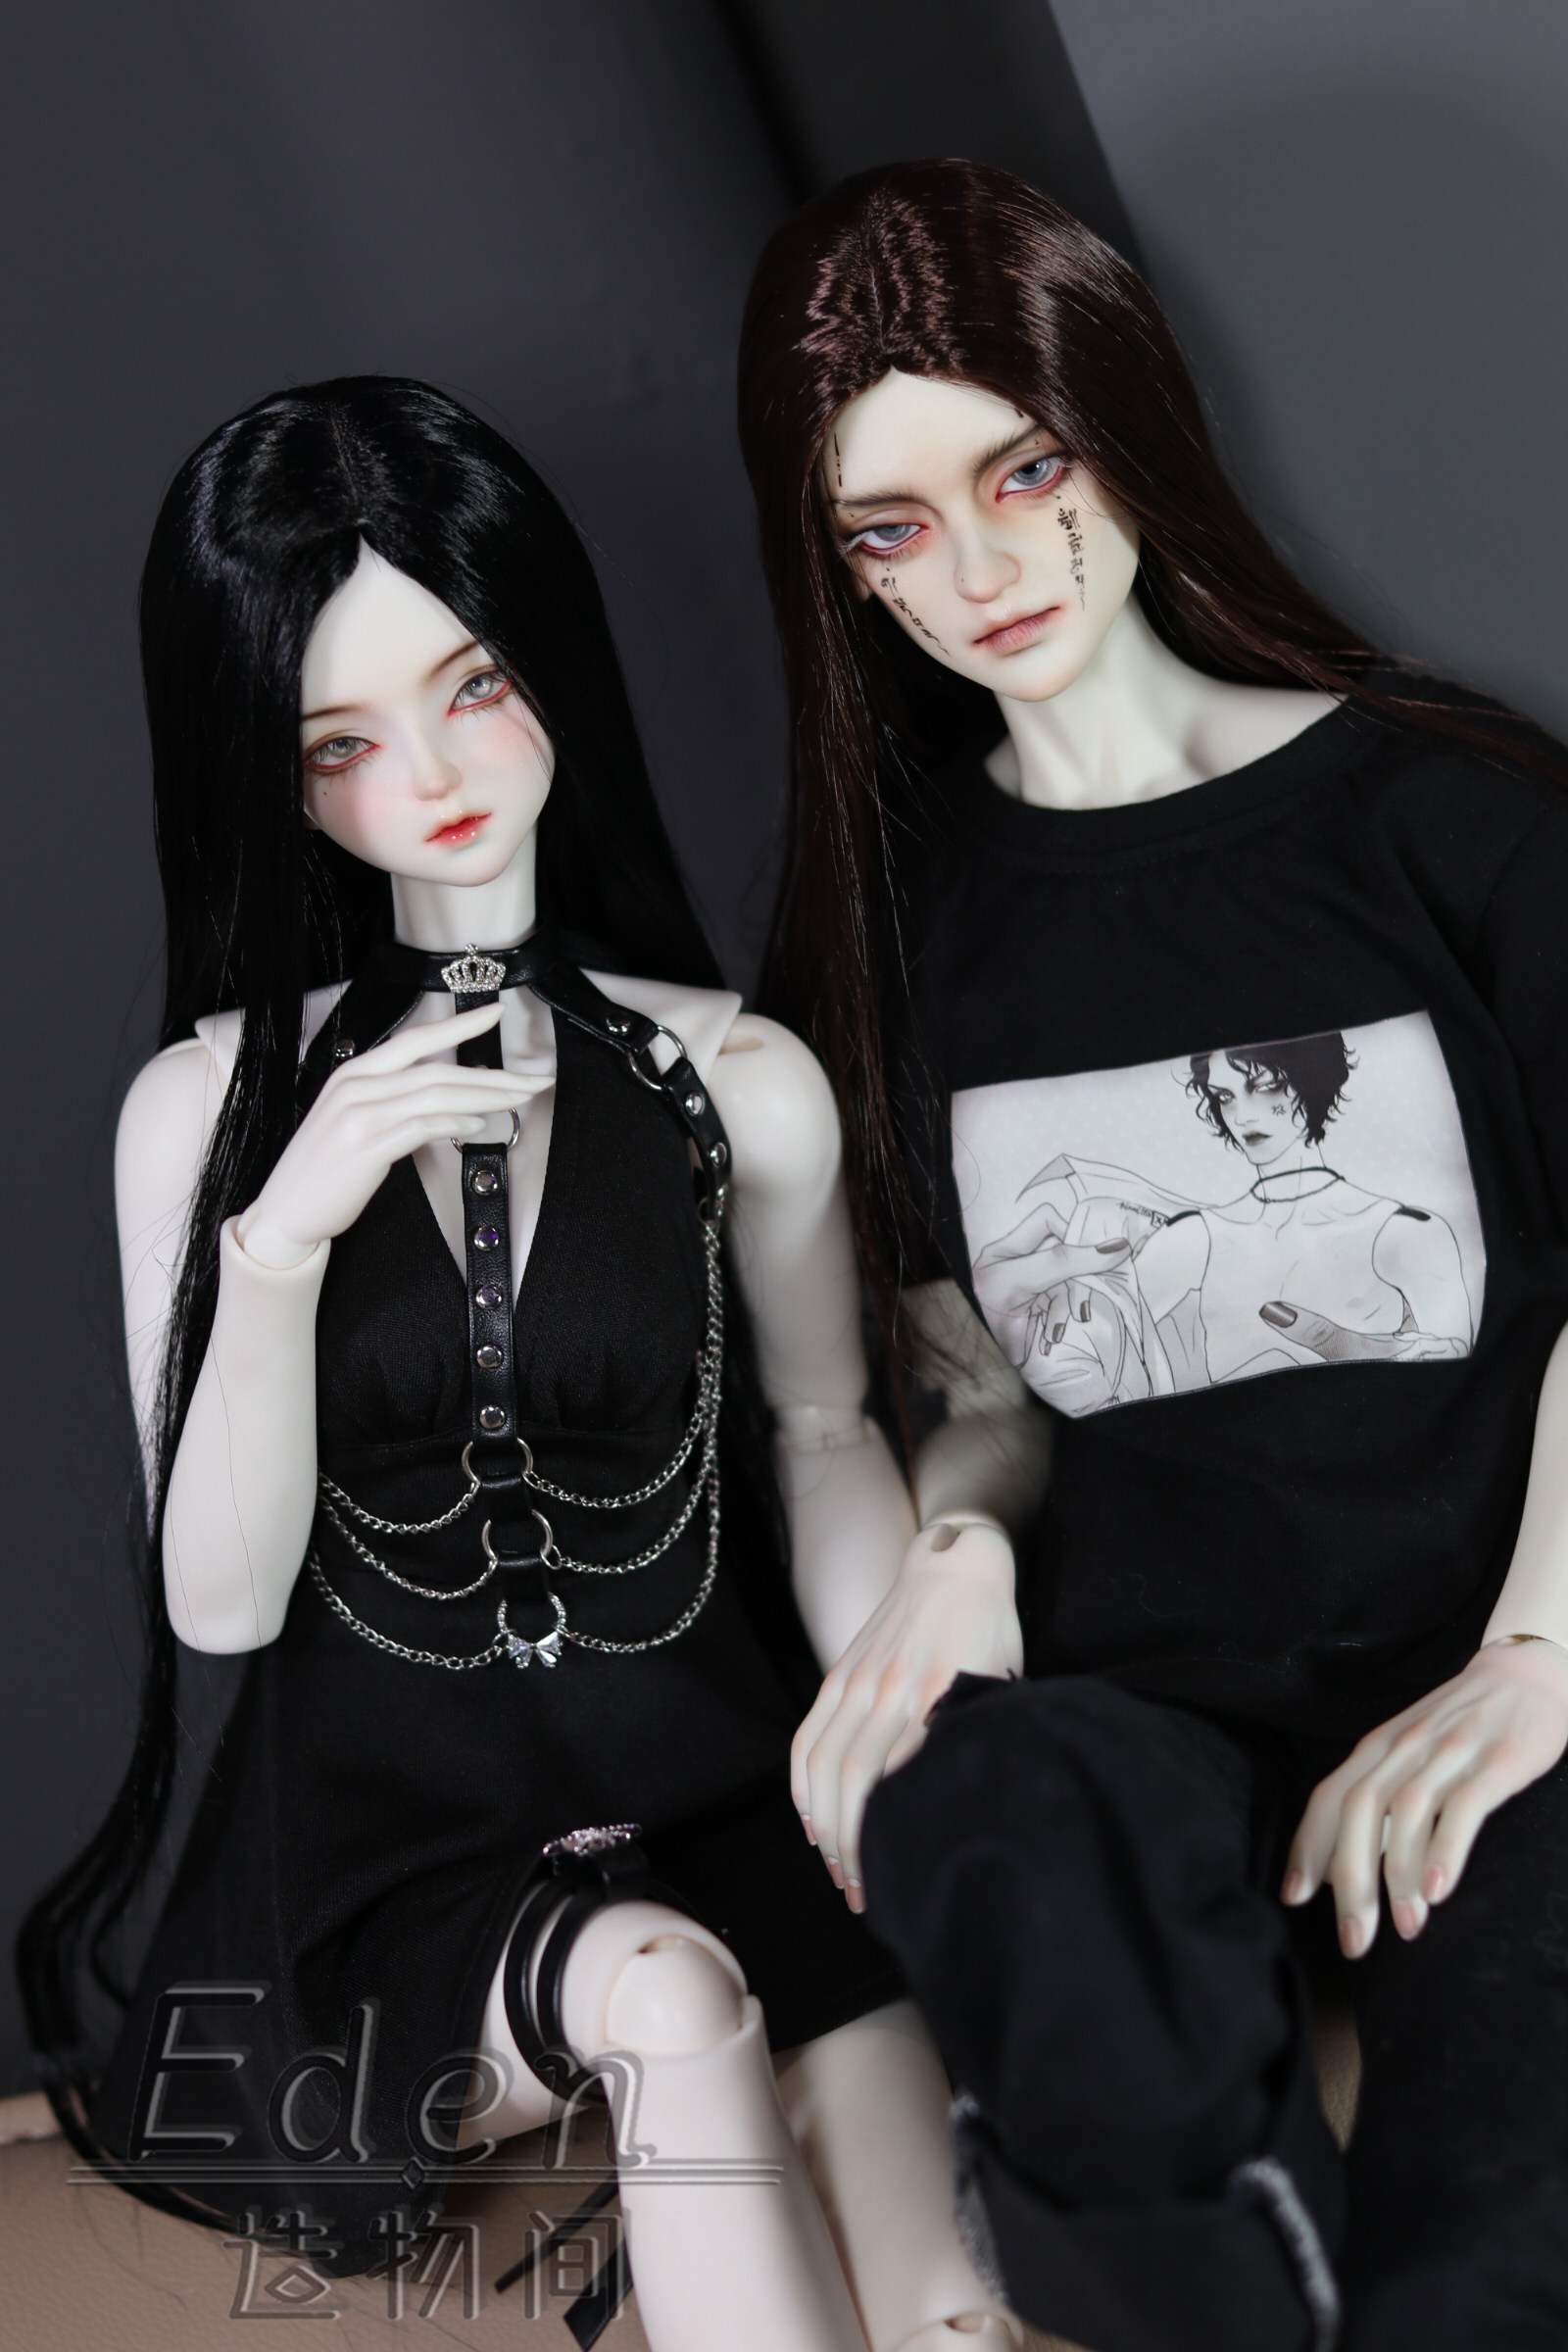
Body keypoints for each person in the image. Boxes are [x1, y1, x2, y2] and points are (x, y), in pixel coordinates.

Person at [16, 378, 1017, 2352]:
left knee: (950, 2311)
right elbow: (219, 1605)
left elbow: (823, 1429)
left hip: (727, 1799)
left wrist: (894, 1732)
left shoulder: (734, 1078)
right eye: (339, 741)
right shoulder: (209, 1114)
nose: (433, 775)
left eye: (475, 687)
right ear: (270, 771)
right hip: (388, 1875)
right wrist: (281, 1240)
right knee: (668, 1994)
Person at [736, 159, 1568, 2349]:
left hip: (1488, 1666)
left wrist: (1539, 1654)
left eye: (1024, 469)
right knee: (988, 1816)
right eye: (888, 528)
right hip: (1149, 1707)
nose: (981, 568)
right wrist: (960, 1547)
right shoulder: (893, 940)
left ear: (1125, 418)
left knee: (1498, 2230)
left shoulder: (1449, 818)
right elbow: (976, 1374)